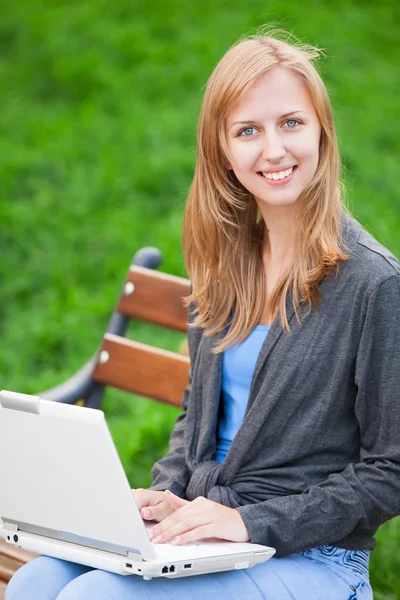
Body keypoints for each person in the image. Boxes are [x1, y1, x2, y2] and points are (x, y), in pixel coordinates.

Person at [6, 27, 400, 600]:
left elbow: (390, 469)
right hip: (206, 533)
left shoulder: (375, 284)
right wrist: (160, 501)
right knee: (36, 582)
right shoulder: (226, 265)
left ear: (323, 131)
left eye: (291, 122)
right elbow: (197, 417)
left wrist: (248, 523)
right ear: (223, 150)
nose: (274, 150)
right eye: (248, 131)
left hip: (315, 556)